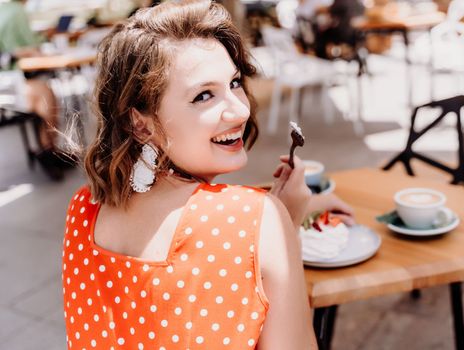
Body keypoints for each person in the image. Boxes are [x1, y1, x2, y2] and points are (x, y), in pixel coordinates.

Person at [62, 1, 353, 348]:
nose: (239, 108)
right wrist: (281, 224)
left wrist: (275, 222)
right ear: (139, 123)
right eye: (203, 96)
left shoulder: (82, 211)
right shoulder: (255, 219)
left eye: (234, 83)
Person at [0, 0, 72, 180]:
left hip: (8, 80)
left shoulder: (5, 10)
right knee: (46, 96)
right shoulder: (17, 13)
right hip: (8, 84)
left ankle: (49, 150)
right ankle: (48, 150)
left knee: (44, 92)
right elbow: (27, 47)